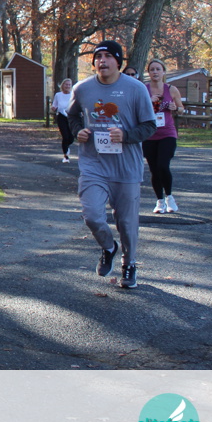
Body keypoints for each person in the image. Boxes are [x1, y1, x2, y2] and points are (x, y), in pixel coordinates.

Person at [67, 41, 156, 289]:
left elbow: (149, 126)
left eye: (108, 56)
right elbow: (71, 116)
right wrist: (77, 131)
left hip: (125, 166)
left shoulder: (136, 88)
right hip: (93, 164)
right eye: (98, 57)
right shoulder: (82, 88)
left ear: (118, 61)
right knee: (92, 215)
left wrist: (126, 135)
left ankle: (129, 263)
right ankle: (108, 247)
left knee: (126, 223)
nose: (102, 61)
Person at [143, 59, 184, 214]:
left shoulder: (171, 89)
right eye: (152, 69)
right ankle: (159, 201)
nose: (155, 72)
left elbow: (181, 109)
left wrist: (176, 108)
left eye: (158, 69)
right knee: (154, 169)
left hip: (167, 133)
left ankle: (169, 197)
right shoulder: (143, 89)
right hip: (149, 134)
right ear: (149, 72)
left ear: (163, 72)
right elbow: (136, 109)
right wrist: (148, 101)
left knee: (163, 165)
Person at [52, 78, 74, 163]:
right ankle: (66, 156)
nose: (67, 86)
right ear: (63, 85)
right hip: (61, 117)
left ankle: (67, 146)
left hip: (71, 117)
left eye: (69, 85)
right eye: (66, 84)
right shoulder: (58, 95)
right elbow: (54, 105)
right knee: (65, 136)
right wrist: (54, 108)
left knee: (71, 138)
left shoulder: (73, 94)